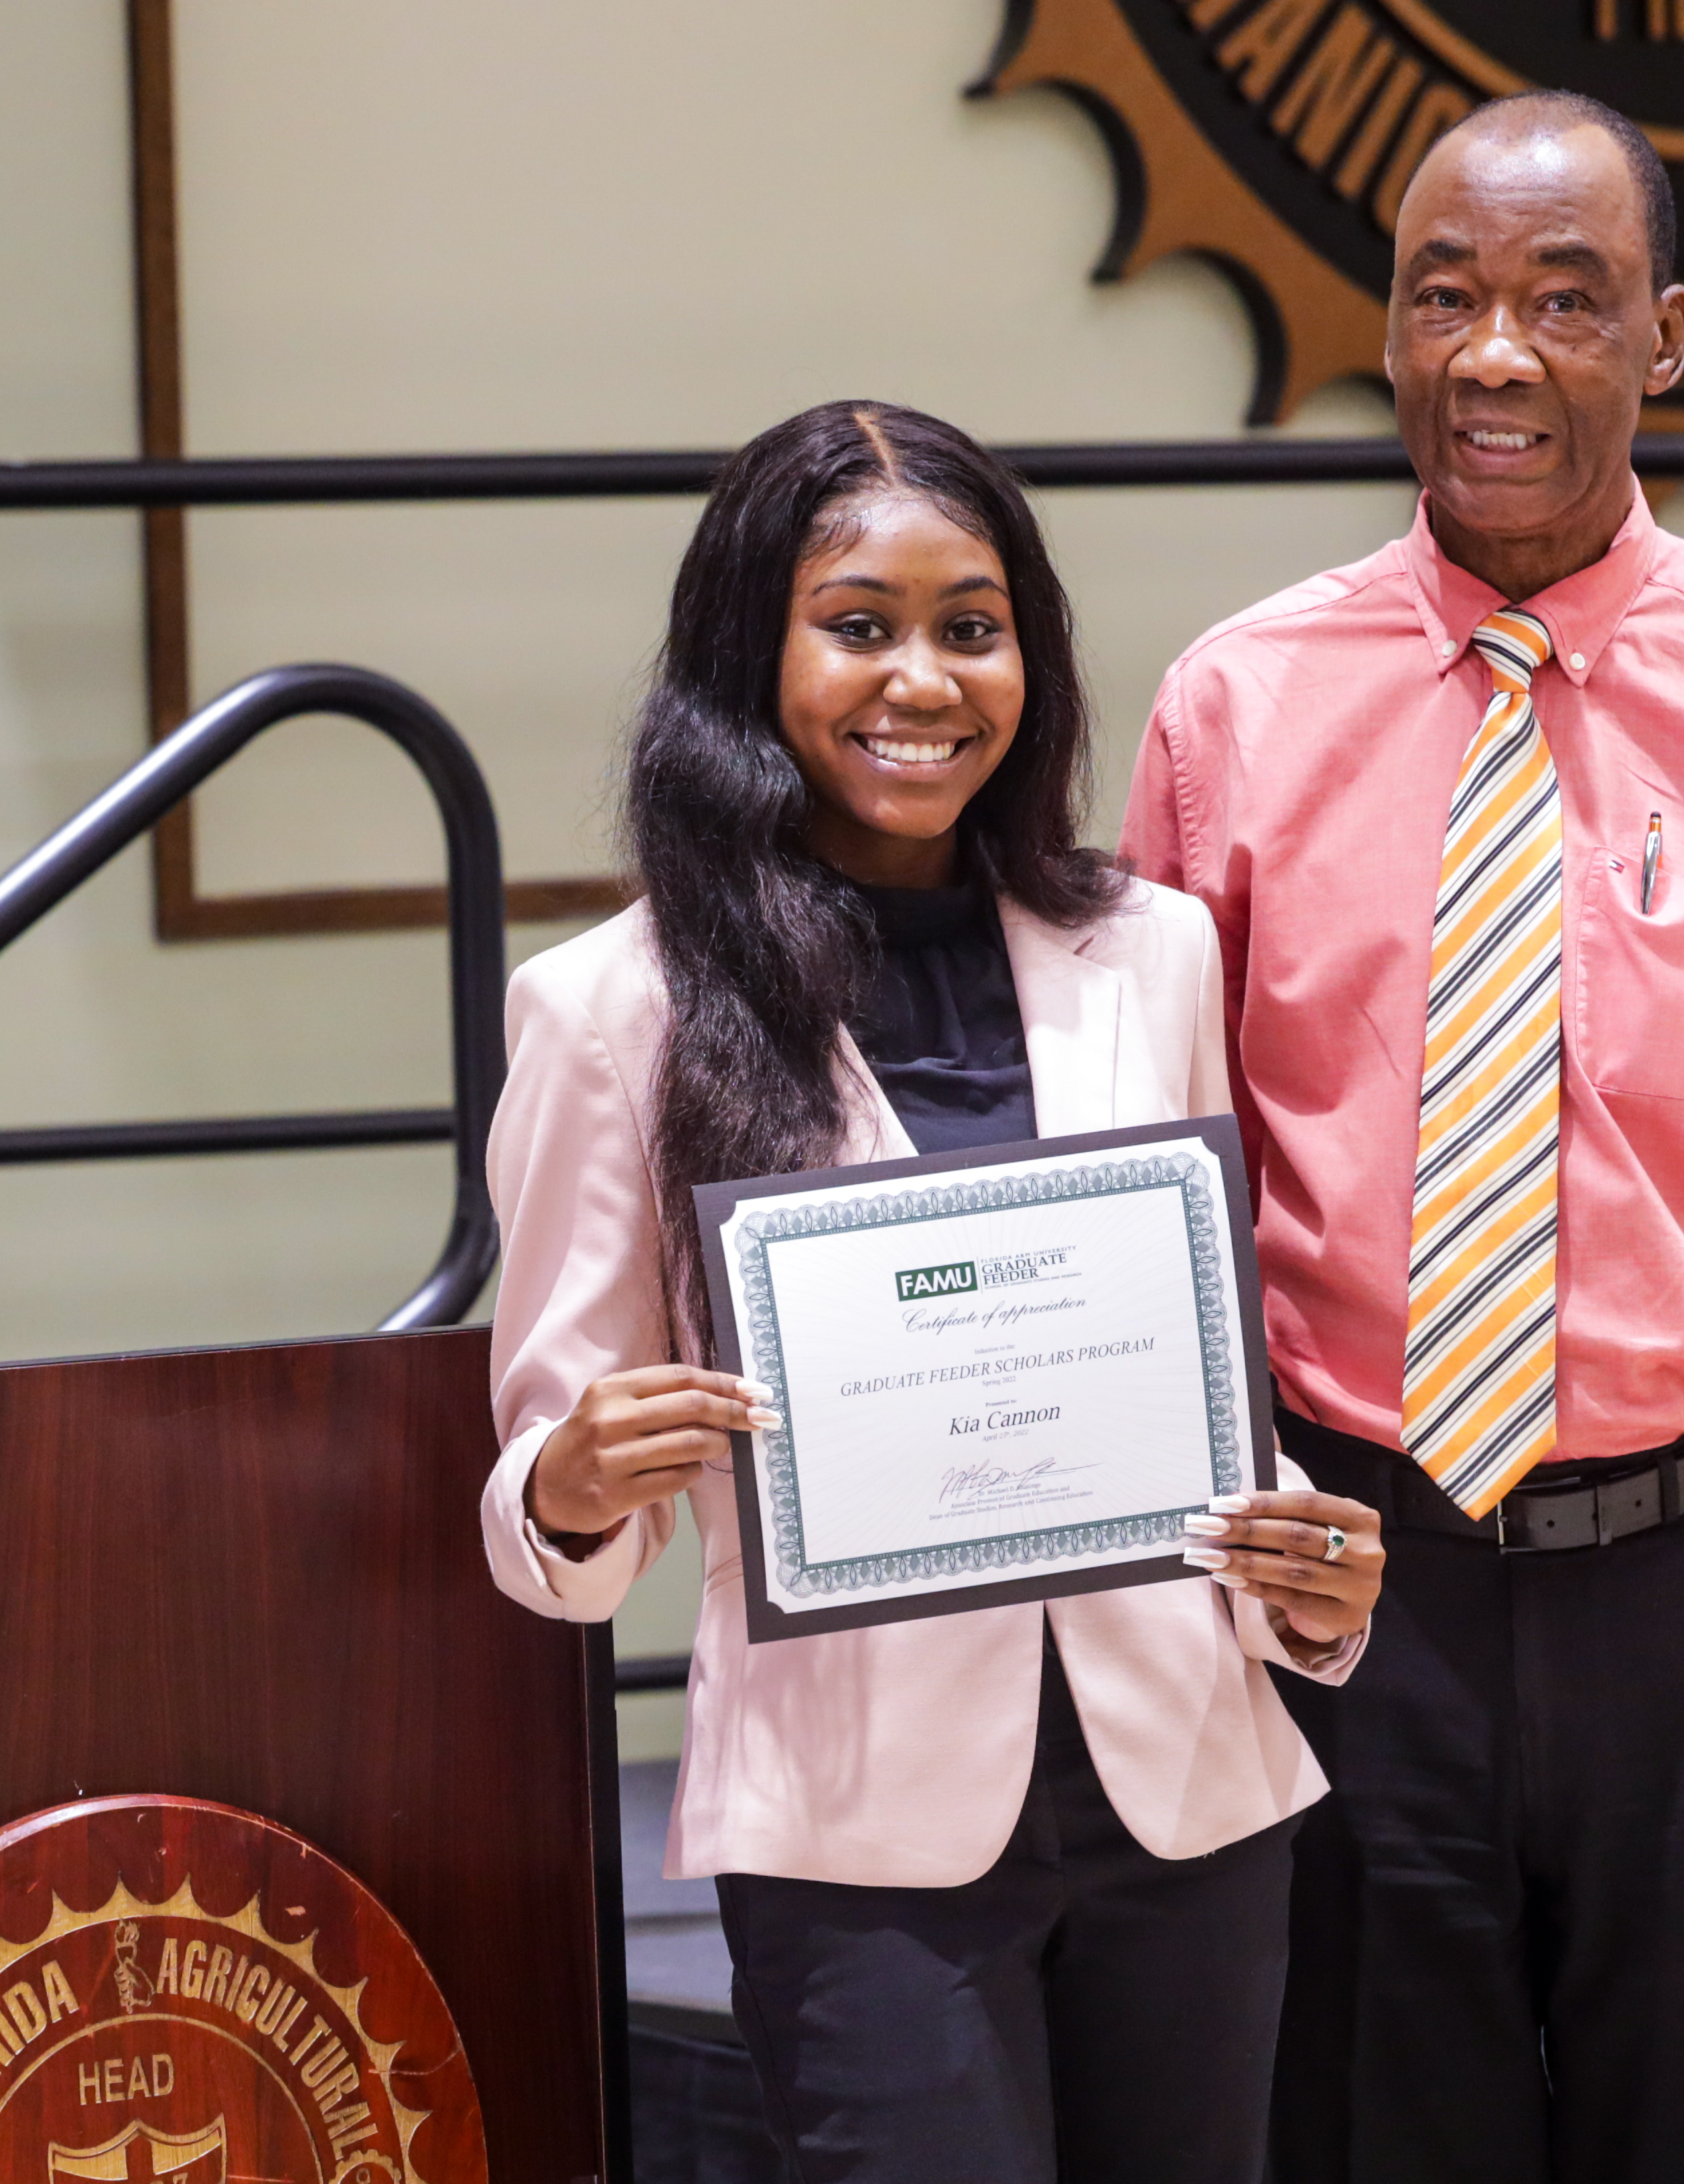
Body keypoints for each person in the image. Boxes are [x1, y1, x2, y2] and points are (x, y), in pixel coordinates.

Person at [1122, 93, 1684, 2184]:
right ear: (1385, 329)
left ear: (1669, 337)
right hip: (1351, 1593)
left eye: (1563, 299)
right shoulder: (1228, 714)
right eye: (1442, 297)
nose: (1495, 355)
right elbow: (1146, 1204)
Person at [479, 399, 1384, 2183]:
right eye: (857, 624)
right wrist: (579, 1478)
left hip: (1189, 1795)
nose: (922, 679)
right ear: (752, 650)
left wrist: (1313, 1579)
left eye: (970, 627)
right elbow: (536, 1512)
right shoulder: (612, 1008)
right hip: (860, 1838)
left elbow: (1194, 1392)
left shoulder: (1150, 950)